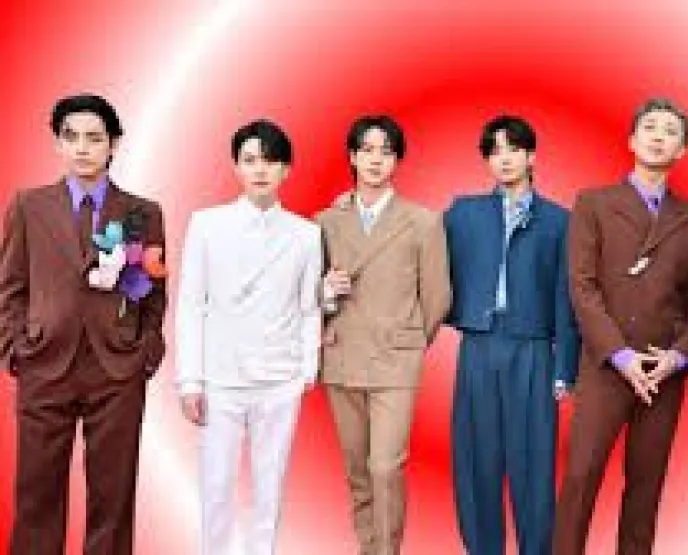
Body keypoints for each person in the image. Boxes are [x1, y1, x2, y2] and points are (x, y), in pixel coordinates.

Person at [0, 93, 167, 554]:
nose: (82, 147)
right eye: (71, 137)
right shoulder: (29, 206)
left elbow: (154, 291)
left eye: (94, 138)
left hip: (117, 369)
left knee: (113, 498)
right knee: (36, 495)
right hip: (44, 363)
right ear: (58, 143)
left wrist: (146, 350)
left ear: (114, 144)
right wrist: (15, 348)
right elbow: (10, 286)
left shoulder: (142, 213)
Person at [554, 98, 688, 555]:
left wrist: (678, 355)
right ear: (631, 140)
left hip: (662, 370)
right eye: (650, 127)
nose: (658, 136)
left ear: (682, 149)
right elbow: (582, 286)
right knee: (580, 478)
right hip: (607, 364)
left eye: (670, 131)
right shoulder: (594, 203)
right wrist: (620, 355)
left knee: (646, 485)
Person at [175, 119, 322, 555]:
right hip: (221, 378)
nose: (260, 170)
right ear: (236, 166)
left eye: (271, 161)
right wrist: (190, 380)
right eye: (250, 160)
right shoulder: (206, 224)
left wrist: (306, 369)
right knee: (216, 485)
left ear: (286, 170)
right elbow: (190, 304)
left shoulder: (306, 234)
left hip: (280, 379)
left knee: (269, 487)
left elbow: (309, 305)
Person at [316, 115, 451, 555]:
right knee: (358, 470)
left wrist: (409, 341)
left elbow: (437, 296)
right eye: (367, 150)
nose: (376, 160)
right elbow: (304, 296)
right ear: (353, 157)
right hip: (342, 356)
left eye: (386, 152)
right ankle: (368, 547)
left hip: (395, 361)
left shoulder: (422, 222)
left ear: (397, 161)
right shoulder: (325, 222)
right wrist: (325, 294)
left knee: (385, 466)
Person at [445, 115, 578, 555]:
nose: (504, 159)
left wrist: (565, 368)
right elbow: (419, 250)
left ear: (531, 156)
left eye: (513, 149)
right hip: (479, 345)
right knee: (476, 458)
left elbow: (566, 295)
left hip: (534, 348)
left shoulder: (559, 221)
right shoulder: (463, 214)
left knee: (534, 461)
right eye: (494, 151)